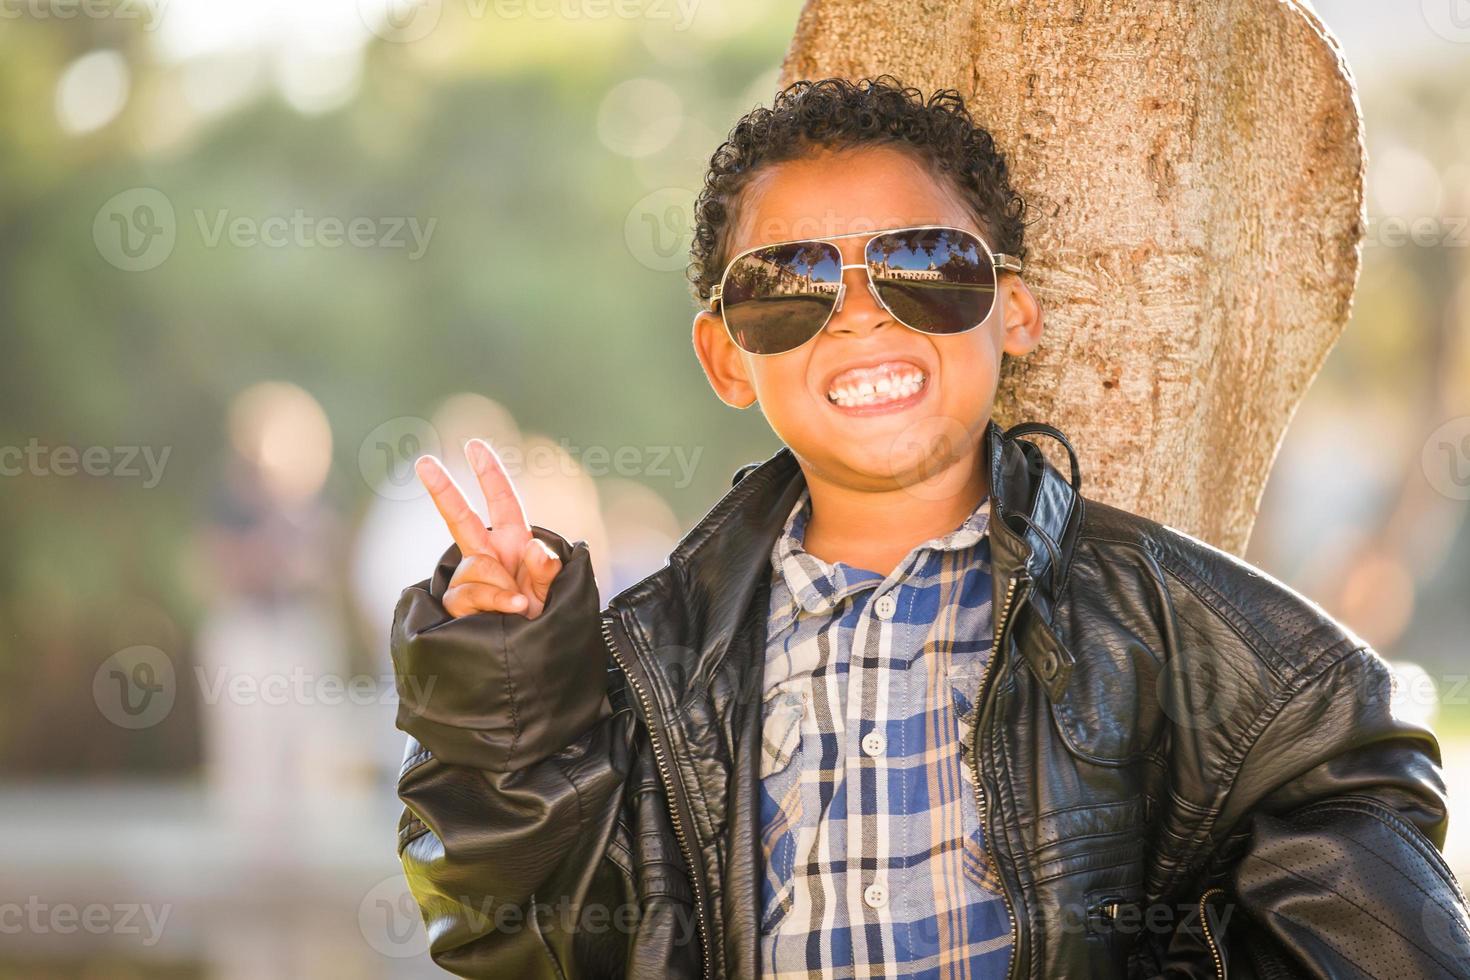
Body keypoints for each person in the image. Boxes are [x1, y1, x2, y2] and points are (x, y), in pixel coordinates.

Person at [389, 76, 1470, 978]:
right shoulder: (648, 658)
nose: (859, 310)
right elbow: (511, 928)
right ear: (726, 355)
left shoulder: (1182, 627)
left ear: (1017, 309)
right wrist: (504, 675)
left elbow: (1364, 833)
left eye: (924, 267)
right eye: (788, 281)